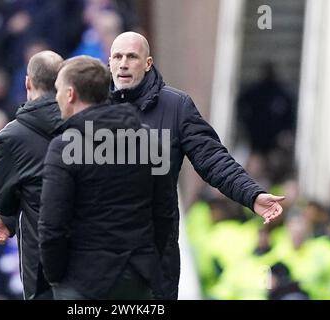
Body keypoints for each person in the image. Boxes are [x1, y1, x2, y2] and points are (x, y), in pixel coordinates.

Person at [109, 32, 285, 299]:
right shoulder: (91, 105)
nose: (123, 64)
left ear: (148, 63)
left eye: (131, 57)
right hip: (101, 253)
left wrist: (252, 194)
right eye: (117, 57)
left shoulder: (176, 106)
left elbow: (213, 159)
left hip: (154, 251)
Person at [38, 56, 175, 300]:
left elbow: (52, 226)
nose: (56, 98)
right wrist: (146, 258)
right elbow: (165, 213)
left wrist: (56, 277)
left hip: (83, 280)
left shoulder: (63, 148)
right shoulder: (149, 141)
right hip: (138, 276)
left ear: (70, 94)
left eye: (58, 90)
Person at [0, 50, 64, 300]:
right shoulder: (88, 127)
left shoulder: (13, 136)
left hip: (42, 262)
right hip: (90, 259)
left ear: (28, 83)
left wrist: (9, 218)